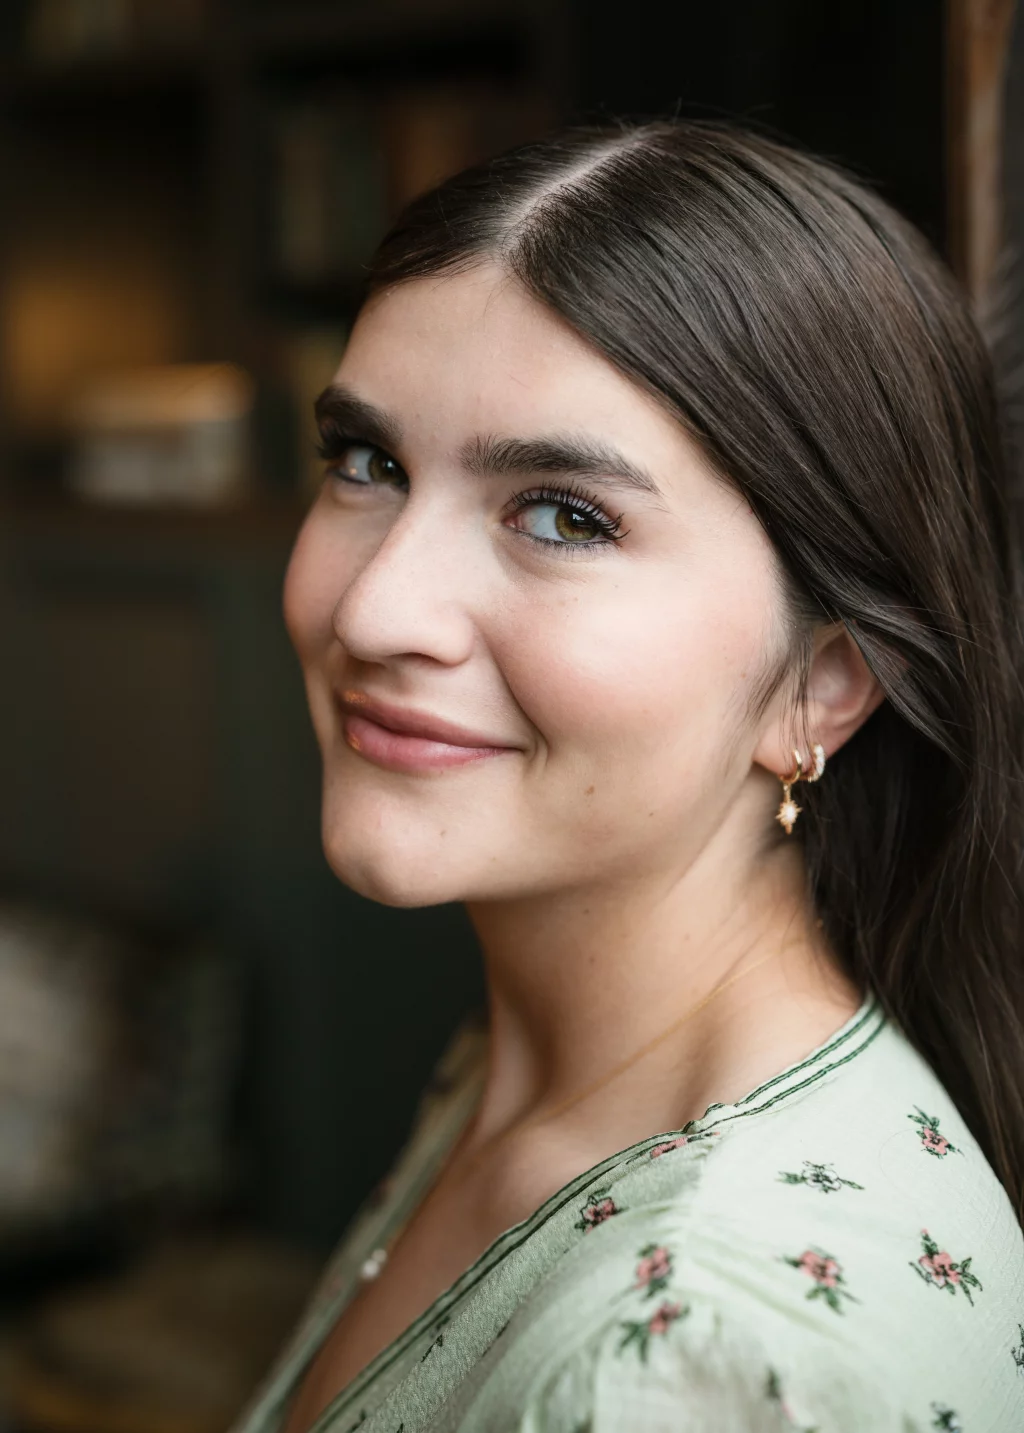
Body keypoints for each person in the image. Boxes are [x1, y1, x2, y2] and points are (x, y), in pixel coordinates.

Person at [234, 120, 1024, 1433]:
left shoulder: (686, 1367)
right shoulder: (531, 1071)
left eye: (563, 515)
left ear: (822, 682)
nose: (376, 612)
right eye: (368, 464)